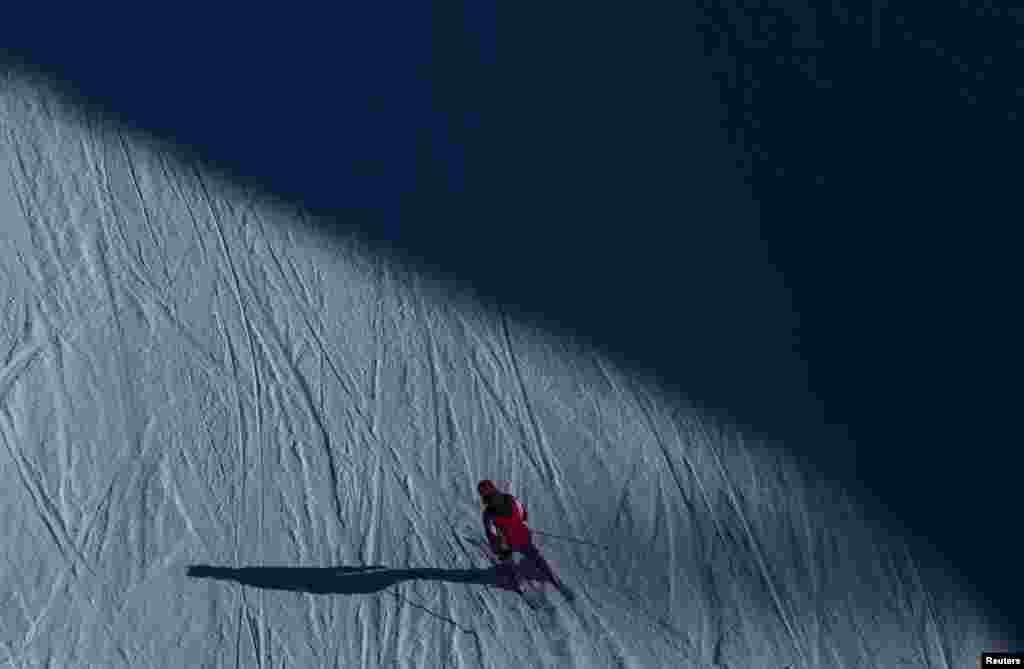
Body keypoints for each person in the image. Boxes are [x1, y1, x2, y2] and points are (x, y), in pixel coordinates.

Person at [478, 480, 559, 589]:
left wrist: (497, 549)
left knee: (508, 558)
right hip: (523, 535)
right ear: (494, 488)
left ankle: (518, 579)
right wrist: (522, 523)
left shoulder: (488, 513)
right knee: (533, 554)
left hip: (508, 542)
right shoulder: (509, 498)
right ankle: (549, 574)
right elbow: (522, 512)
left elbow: (491, 533)